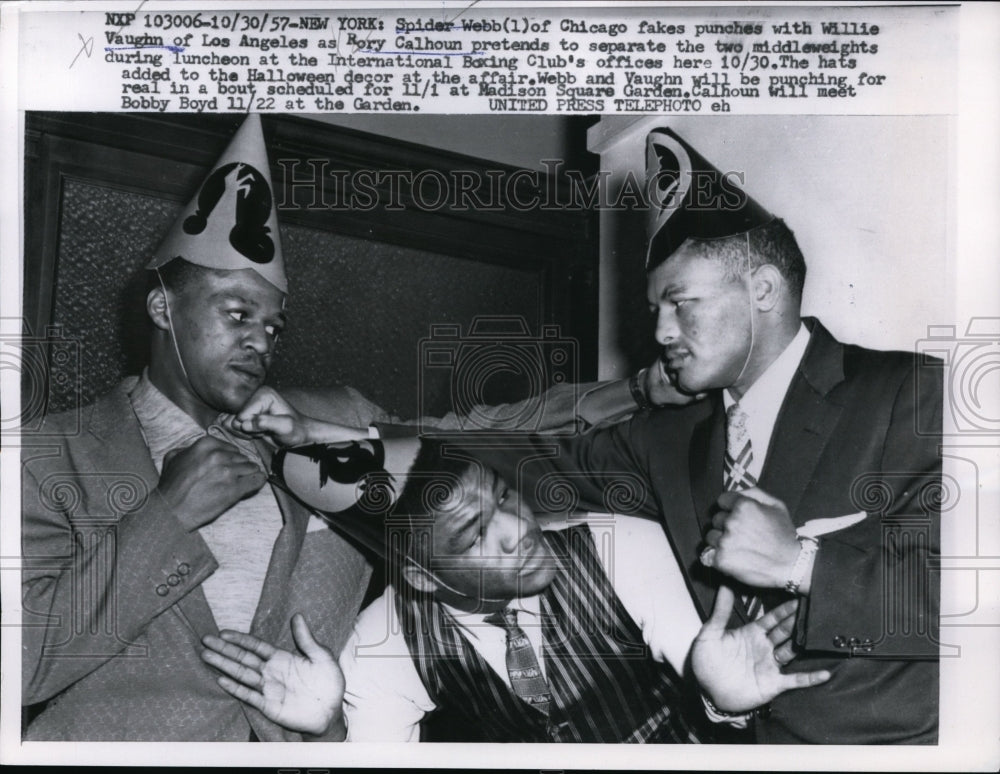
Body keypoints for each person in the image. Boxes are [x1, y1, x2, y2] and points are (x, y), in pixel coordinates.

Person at [449, 128, 943, 744]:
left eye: (681, 303)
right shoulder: (669, 438)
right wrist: (350, 435)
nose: (660, 331)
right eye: (656, 308)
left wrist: (801, 562)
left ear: (762, 289)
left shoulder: (909, 393)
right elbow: (538, 464)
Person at [19, 115, 376, 741]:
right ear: (163, 307)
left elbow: (485, 460)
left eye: (273, 327)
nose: (260, 342)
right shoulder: (48, 453)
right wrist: (166, 515)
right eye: (237, 314)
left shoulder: (327, 420)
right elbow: (17, 665)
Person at [200, 436, 830, 742]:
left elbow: (723, 701)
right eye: (474, 533)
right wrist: (332, 733)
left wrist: (724, 702)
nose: (517, 529)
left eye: (503, 496)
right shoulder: (381, 646)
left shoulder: (620, 547)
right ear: (420, 576)